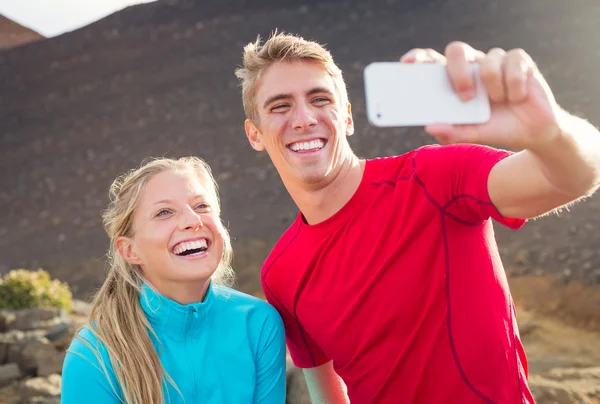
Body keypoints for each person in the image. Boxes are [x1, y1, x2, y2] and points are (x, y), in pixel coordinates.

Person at [234, 32, 600, 403]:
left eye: (319, 99)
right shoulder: (280, 274)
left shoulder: (434, 177)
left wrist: (550, 130)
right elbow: (327, 395)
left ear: (346, 117)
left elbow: (574, 177)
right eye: (280, 106)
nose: (303, 119)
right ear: (255, 134)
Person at [61, 157, 286, 404]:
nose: (192, 221)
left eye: (201, 206)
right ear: (129, 250)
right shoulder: (93, 355)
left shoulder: (258, 324)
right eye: (164, 212)